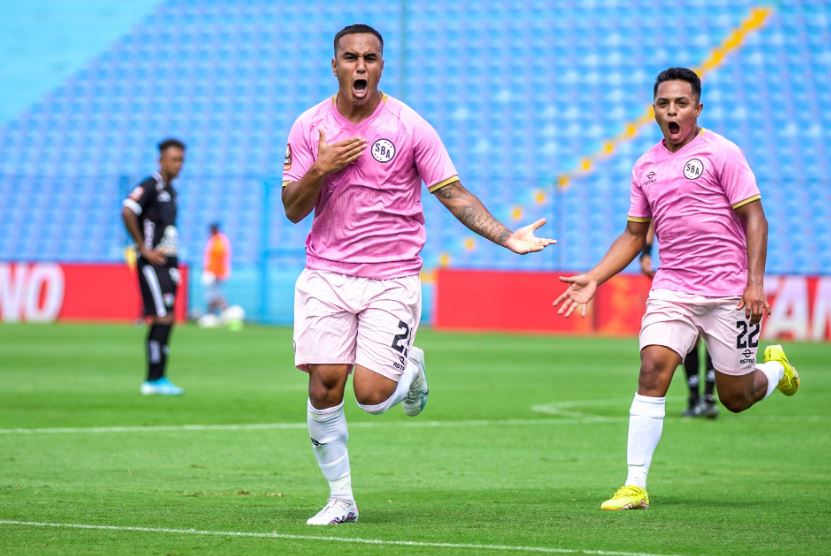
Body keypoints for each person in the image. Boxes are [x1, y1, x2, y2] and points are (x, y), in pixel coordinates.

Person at [282, 24, 555, 525]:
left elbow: (453, 193)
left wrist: (506, 237)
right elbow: (292, 209)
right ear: (334, 65)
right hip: (326, 273)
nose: (360, 66)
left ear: (382, 66)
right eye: (350, 57)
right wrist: (320, 168)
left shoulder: (409, 126)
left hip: (391, 277)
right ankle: (342, 500)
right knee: (324, 386)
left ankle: (410, 366)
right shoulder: (309, 126)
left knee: (371, 397)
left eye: (370, 58)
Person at [553, 67, 799, 511]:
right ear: (654, 110)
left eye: (681, 103)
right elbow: (634, 235)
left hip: (729, 293)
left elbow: (756, 218)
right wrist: (595, 276)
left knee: (735, 398)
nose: (672, 111)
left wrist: (755, 283)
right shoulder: (645, 166)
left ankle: (777, 371)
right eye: (664, 104)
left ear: (697, 108)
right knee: (652, 371)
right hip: (674, 290)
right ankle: (634, 485)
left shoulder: (723, 152)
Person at [121, 138, 186, 396]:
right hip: (152, 264)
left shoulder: (171, 191)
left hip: (168, 262)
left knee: (168, 318)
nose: (178, 165)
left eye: (181, 160)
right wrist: (143, 248)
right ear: (161, 160)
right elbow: (128, 210)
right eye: (174, 159)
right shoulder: (150, 185)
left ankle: (159, 378)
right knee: (161, 317)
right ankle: (152, 379)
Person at [640, 224, 718, 419]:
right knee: (694, 337)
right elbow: (650, 222)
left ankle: (705, 398)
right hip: (681, 277)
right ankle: (698, 398)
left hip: (715, 275)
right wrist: (646, 253)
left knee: (713, 337)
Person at [203, 222, 231, 316]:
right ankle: (211, 314)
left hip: (217, 272)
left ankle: (224, 313)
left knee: (216, 295)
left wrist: (213, 272)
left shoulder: (219, 240)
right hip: (213, 271)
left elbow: (219, 256)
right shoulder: (213, 239)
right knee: (212, 295)